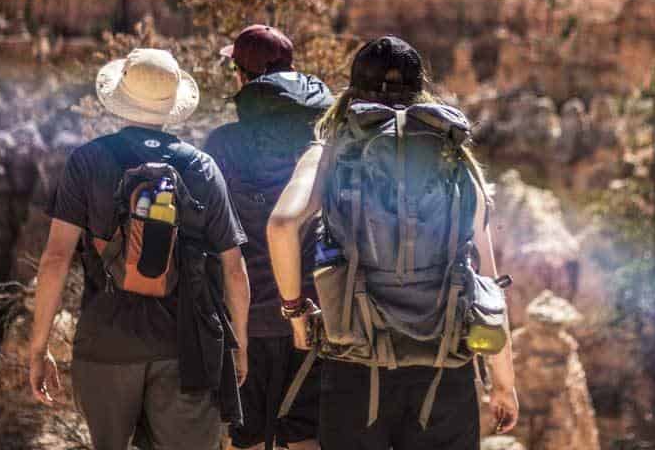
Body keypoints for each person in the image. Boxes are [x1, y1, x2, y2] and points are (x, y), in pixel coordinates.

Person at [267, 36, 519, 450]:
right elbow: (487, 279)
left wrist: (296, 315)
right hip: (444, 365)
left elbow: (281, 225)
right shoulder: (452, 155)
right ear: (421, 89)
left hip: (356, 361)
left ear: (352, 90)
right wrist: (503, 382)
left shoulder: (330, 150)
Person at [28, 48, 251, 450]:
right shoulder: (201, 167)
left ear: (121, 100)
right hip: (186, 352)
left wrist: (39, 347)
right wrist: (242, 346)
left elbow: (56, 258)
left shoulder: (87, 161)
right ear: (173, 105)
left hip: (105, 345)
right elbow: (234, 269)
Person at [205, 25, 334, 450]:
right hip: (312, 314)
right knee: (306, 434)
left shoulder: (221, 145)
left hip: (246, 321)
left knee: (247, 437)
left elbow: (210, 239)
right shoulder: (319, 142)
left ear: (243, 79)